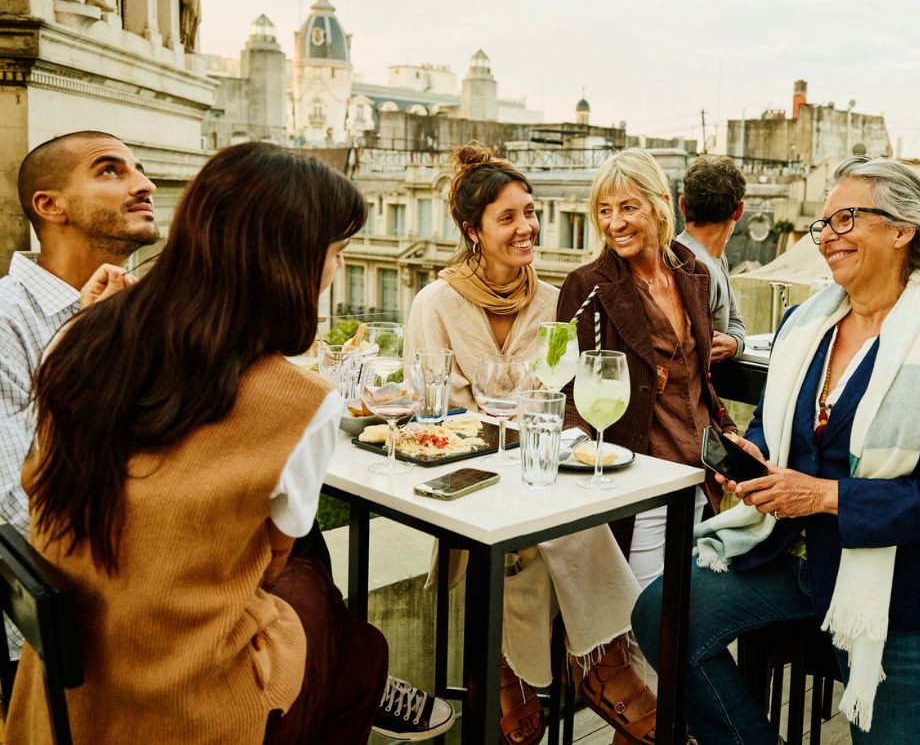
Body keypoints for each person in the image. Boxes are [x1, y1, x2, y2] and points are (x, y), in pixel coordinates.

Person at [4, 143, 431, 743]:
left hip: (54, 703)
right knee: (328, 613)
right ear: (294, 261)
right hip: (186, 707)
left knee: (333, 626)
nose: (335, 270)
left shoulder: (78, 339)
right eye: (336, 254)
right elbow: (268, 565)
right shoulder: (301, 402)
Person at [632, 157, 920, 744]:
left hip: (901, 595)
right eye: (822, 224)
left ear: (903, 230)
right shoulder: (804, 325)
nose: (828, 236)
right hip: (793, 559)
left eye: (847, 218)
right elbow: (780, 435)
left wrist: (822, 496)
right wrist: (749, 459)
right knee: (661, 613)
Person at [405, 144, 653, 745]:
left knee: (543, 519)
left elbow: (554, 392)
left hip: (534, 471)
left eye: (531, 212)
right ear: (473, 230)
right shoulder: (434, 304)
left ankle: (514, 666)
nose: (528, 228)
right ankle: (601, 659)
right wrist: (504, 422)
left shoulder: (555, 302)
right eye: (508, 217)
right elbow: (429, 410)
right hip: (463, 478)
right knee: (550, 521)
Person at [0, 130, 155, 685]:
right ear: (49, 205)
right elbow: (19, 509)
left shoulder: (138, 309)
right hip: (70, 628)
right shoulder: (6, 321)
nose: (145, 185)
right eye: (111, 170)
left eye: (138, 169)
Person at [557, 148, 738, 592]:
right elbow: (566, 388)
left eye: (628, 207)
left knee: (686, 614)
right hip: (640, 480)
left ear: (659, 203)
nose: (614, 223)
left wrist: (730, 434)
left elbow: (697, 381)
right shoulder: (589, 286)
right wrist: (574, 455)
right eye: (604, 210)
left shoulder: (693, 272)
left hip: (699, 477)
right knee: (641, 614)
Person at [676, 155, 748, 362]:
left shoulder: (715, 259)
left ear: (682, 206)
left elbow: (735, 321)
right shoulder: (695, 267)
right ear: (739, 211)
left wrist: (734, 344)